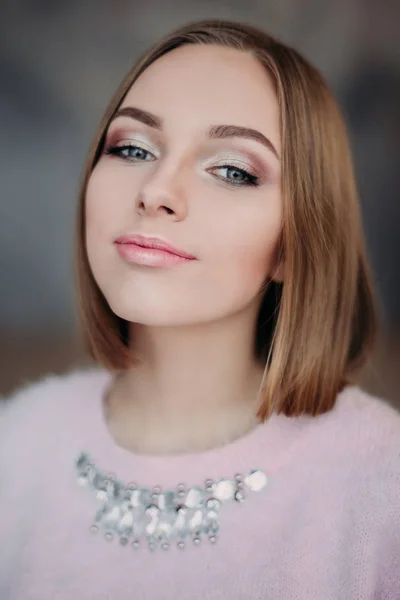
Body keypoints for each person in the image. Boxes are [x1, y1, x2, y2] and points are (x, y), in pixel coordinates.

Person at [1, 18, 399, 600]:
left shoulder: (383, 483)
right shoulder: (17, 445)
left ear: (294, 243)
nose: (156, 189)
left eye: (233, 170)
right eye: (133, 148)